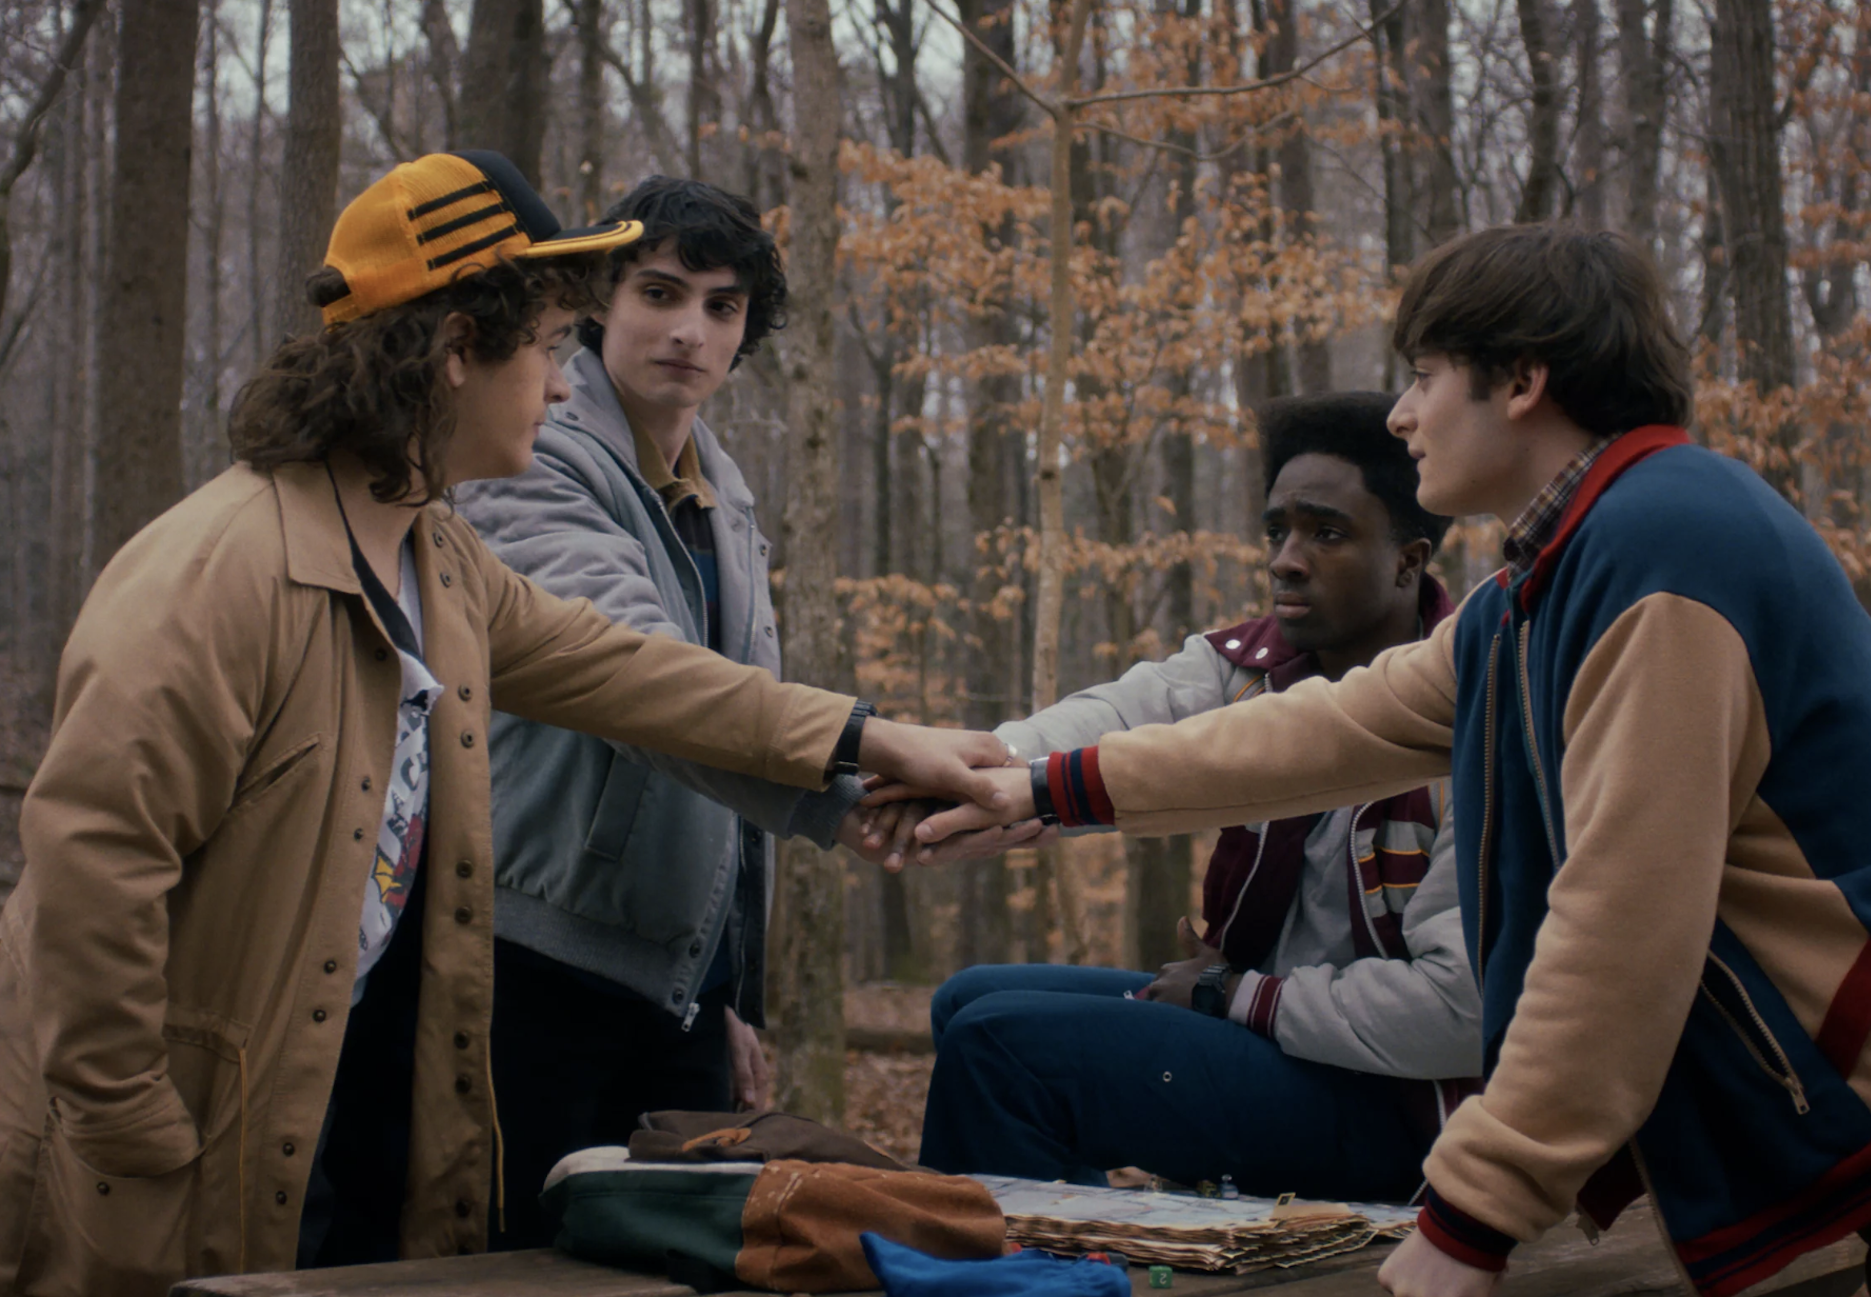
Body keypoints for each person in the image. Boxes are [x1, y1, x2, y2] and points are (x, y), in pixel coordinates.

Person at [908, 224, 1871, 1297]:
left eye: (1423, 374)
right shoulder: (1542, 589)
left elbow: (1619, 925)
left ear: (1519, 380)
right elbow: (1327, 729)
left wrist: (1474, 1208)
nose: (1400, 412)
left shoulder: (1664, 551)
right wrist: (1042, 786)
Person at [0, 150, 1002, 1297]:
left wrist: (874, 743)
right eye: (541, 349)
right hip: (153, 1157)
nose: (564, 385)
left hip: (306, 1114)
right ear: (453, 350)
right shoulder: (218, 571)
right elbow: (92, 861)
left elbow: (633, 673)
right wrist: (136, 1129)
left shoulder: (437, 558)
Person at [915, 393, 1478, 1203]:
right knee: (968, 998)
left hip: (1398, 1107)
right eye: (1276, 529)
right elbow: (1112, 718)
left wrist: (1232, 994)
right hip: (1272, 1036)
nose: (1286, 558)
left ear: (1407, 559)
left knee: (999, 1046)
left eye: (1326, 532)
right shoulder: (1249, 669)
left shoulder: (1468, 720)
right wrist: (971, 769)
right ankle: (1082, 1251)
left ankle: (1022, 1266)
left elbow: (1461, 1011)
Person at [456, 176, 880, 1246]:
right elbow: (655, 685)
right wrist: (865, 777)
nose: (688, 331)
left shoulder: (722, 491)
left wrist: (729, 984)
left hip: (674, 985)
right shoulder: (529, 452)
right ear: (602, 301)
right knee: (519, 1262)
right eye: (659, 292)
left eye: (722, 307)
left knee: (670, 1267)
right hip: (532, 960)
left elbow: (726, 763)